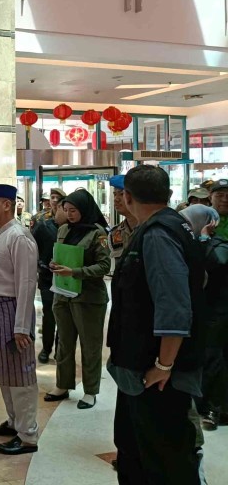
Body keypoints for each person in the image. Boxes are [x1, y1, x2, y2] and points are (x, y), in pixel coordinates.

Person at [107, 165, 205, 484]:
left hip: (157, 375)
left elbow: (174, 307)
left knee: (163, 461)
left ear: (128, 196)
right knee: (135, 450)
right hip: (143, 369)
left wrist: (164, 365)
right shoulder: (170, 226)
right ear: (170, 194)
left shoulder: (159, 235)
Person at [0, 184, 40, 455]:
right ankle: (14, 422)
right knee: (5, 373)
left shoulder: (19, 236)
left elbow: (26, 284)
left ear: (7, 205)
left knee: (20, 375)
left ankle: (28, 435)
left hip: (12, 311)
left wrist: (21, 326)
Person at [44, 189, 110, 410]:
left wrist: (74, 272)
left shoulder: (98, 233)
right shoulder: (63, 229)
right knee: (64, 342)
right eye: (66, 210)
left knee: (90, 345)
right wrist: (54, 264)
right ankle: (62, 384)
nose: (69, 214)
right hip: (63, 294)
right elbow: (59, 254)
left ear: (84, 210)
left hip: (88, 298)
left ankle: (90, 390)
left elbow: (104, 266)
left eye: (74, 210)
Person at [198, 181, 228, 431]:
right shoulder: (204, 222)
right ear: (211, 197)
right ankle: (212, 406)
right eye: (220, 195)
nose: (225, 199)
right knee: (212, 353)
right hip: (212, 300)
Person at [31, 202, 66, 364]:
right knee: (49, 314)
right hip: (47, 278)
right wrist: (40, 264)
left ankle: (60, 349)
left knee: (64, 317)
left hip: (66, 279)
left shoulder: (73, 228)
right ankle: (46, 349)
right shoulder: (43, 226)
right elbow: (33, 246)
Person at [108, 175, 137, 261]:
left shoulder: (151, 228)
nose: (116, 199)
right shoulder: (115, 234)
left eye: (121, 194)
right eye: (114, 194)